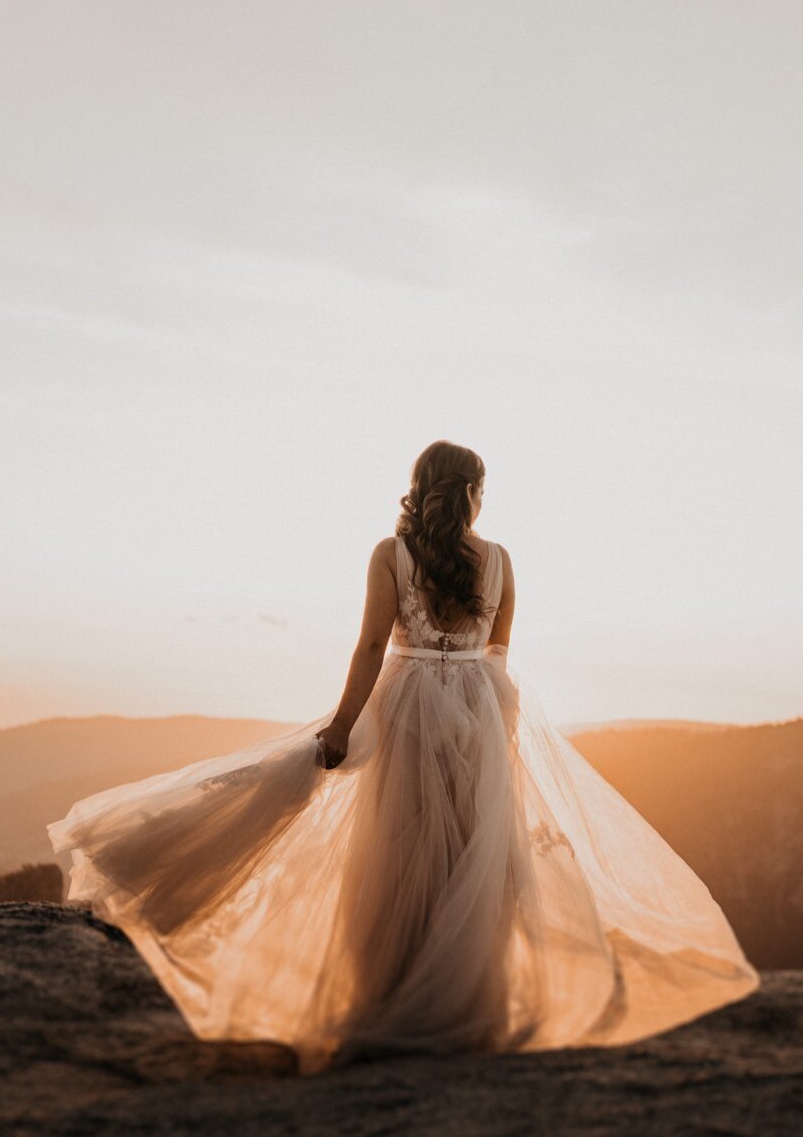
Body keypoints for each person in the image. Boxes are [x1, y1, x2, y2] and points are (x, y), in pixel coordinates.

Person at [47, 440, 757, 1072]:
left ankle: (389, 996)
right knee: (470, 859)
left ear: (421, 489)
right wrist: (492, 721)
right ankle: (466, 1005)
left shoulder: (392, 555)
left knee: (397, 850)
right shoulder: (502, 560)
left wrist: (340, 727)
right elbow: (502, 653)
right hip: (479, 709)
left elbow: (369, 649)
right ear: (472, 492)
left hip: (406, 705)